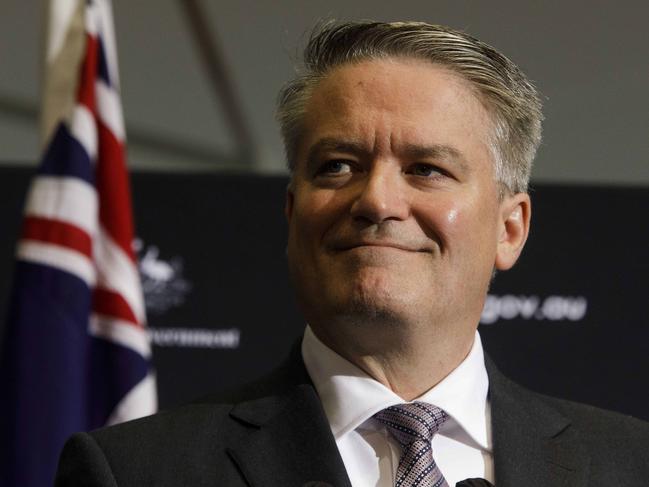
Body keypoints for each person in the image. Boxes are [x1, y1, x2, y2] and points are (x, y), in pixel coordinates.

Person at [55, 21, 649, 487]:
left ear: (510, 229)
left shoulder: (631, 466)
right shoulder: (136, 473)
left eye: (426, 169)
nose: (376, 200)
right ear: (293, 214)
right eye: (338, 166)